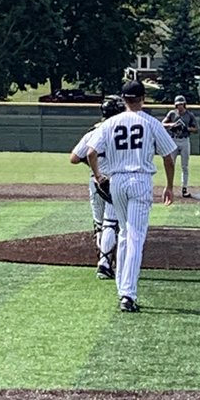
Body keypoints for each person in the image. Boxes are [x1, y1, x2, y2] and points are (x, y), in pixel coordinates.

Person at [87, 80, 177, 313]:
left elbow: (90, 152)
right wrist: (169, 185)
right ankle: (128, 294)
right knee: (135, 237)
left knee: (125, 234)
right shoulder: (151, 123)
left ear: (123, 99)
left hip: (116, 180)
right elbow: (169, 155)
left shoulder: (110, 123)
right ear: (143, 98)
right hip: (140, 180)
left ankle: (122, 289)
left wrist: (98, 176)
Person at [70, 96, 125, 279]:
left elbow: (74, 158)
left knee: (99, 224)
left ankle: (102, 260)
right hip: (112, 181)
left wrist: (95, 169)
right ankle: (105, 263)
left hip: (95, 181)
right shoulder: (121, 131)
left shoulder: (93, 131)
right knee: (111, 223)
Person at [162, 94, 199, 197]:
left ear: (184, 104)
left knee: (185, 166)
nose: (180, 106)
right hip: (173, 140)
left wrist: (186, 128)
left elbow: (196, 129)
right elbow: (162, 124)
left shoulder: (189, 115)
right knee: (171, 164)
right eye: (178, 104)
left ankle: (184, 188)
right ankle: (169, 187)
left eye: (181, 104)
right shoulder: (172, 114)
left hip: (184, 140)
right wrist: (172, 125)